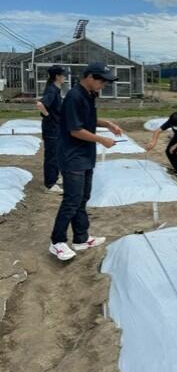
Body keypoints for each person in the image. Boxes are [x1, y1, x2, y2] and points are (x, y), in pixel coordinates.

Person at [49, 62, 122, 262]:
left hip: (85, 155)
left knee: (82, 198)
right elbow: (75, 130)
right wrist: (102, 140)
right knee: (72, 200)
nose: (104, 85)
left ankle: (81, 238)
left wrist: (107, 124)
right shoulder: (74, 96)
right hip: (73, 157)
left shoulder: (89, 95)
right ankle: (57, 242)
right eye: (102, 81)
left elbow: (87, 120)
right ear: (89, 77)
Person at [36, 64, 66, 193]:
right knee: (52, 156)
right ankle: (50, 183)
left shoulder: (56, 89)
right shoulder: (52, 90)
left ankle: (55, 177)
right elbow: (40, 104)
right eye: (63, 75)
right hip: (51, 129)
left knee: (58, 153)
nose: (65, 77)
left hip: (57, 127)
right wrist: (48, 116)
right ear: (57, 76)